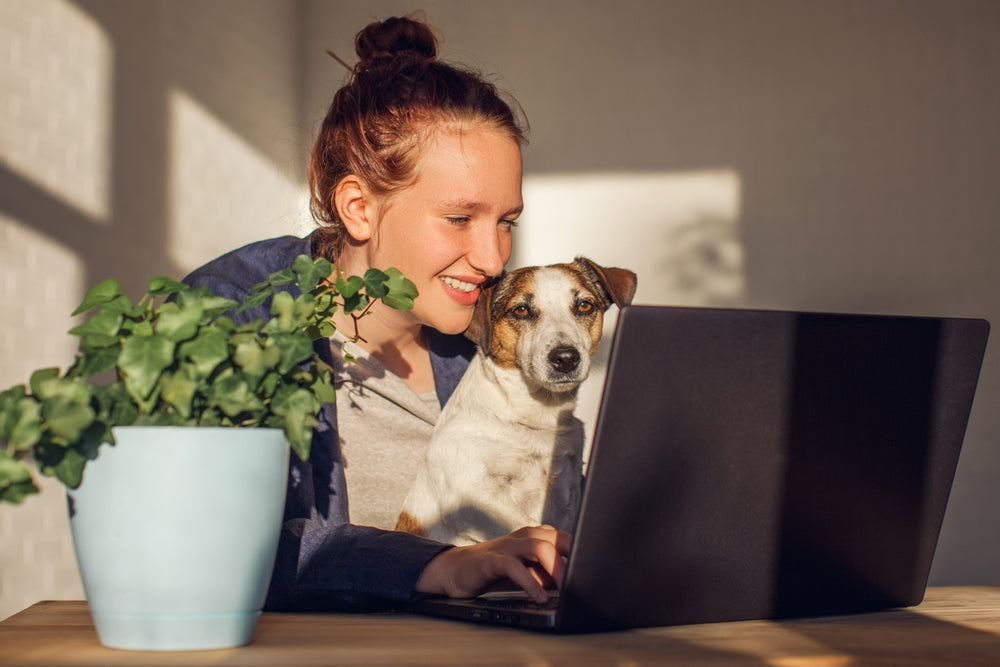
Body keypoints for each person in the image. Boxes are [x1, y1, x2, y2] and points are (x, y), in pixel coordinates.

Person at [183, 15, 569, 611]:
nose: (493, 259)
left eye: (506, 222)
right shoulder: (231, 315)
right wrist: (440, 564)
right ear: (359, 207)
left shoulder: (487, 346)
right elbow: (223, 534)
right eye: (461, 218)